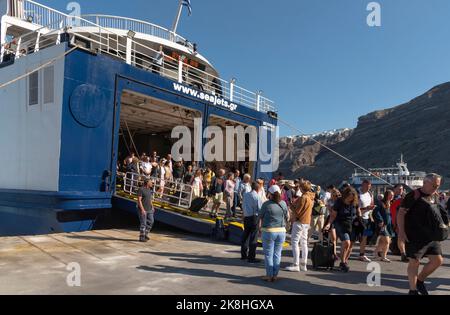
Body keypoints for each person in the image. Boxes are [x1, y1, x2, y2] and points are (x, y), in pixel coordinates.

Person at [397, 173, 446, 295]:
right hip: (414, 235)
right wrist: (401, 232)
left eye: (438, 185)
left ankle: (420, 281)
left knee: (437, 261)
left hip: (430, 236)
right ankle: (413, 290)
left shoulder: (434, 195)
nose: (436, 188)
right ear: (425, 182)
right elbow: (401, 213)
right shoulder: (413, 195)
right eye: (434, 185)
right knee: (414, 262)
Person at [324, 187, 361, 272]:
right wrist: (329, 224)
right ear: (345, 195)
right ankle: (343, 262)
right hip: (340, 224)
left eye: (352, 197)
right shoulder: (339, 202)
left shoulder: (355, 202)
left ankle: (344, 261)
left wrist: (360, 217)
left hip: (353, 224)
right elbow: (333, 215)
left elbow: (358, 212)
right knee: (346, 242)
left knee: (350, 244)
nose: (350, 199)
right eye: (349, 197)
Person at [259, 185, 289, 282]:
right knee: (277, 254)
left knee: (268, 254)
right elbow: (287, 217)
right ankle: (275, 275)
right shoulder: (283, 203)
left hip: (269, 231)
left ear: (270, 194)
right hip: (281, 231)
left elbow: (260, 216)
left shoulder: (266, 204)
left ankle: (269, 275)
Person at [286, 180, 315, 272]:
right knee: (304, 243)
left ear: (302, 188)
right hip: (306, 222)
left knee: (295, 242)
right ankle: (304, 264)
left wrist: (291, 206)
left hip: (299, 222)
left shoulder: (303, 198)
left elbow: (298, 212)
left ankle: (296, 264)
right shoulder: (311, 197)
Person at [241, 181, 263, 263]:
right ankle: (251, 257)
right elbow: (259, 209)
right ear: (258, 189)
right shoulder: (257, 197)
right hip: (254, 217)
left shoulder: (246, 195)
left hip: (246, 216)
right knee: (253, 237)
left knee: (245, 236)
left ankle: (243, 255)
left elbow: (243, 205)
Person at [373, 190, 395, 262]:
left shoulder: (391, 203)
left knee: (383, 242)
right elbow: (375, 212)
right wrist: (380, 220)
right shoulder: (381, 203)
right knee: (386, 241)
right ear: (386, 195)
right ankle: (382, 256)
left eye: (393, 195)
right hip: (383, 225)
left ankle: (377, 254)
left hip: (389, 225)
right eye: (390, 195)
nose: (392, 196)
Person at [358, 180, 376, 262]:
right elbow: (355, 208)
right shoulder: (358, 193)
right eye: (366, 186)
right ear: (362, 185)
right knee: (353, 238)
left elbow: (371, 204)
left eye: (369, 186)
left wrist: (371, 211)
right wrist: (366, 208)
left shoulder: (370, 194)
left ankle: (362, 254)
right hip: (358, 217)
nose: (368, 188)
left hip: (367, 218)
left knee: (364, 237)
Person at [391, 184, 408, 262]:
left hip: (401, 221)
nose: (400, 191)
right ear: (394, 189)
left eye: (401, 189)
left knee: (399, 237)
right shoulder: (391, 197)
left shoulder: (403, 199)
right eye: (398, 189)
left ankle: (402, 252)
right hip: (393, 220)